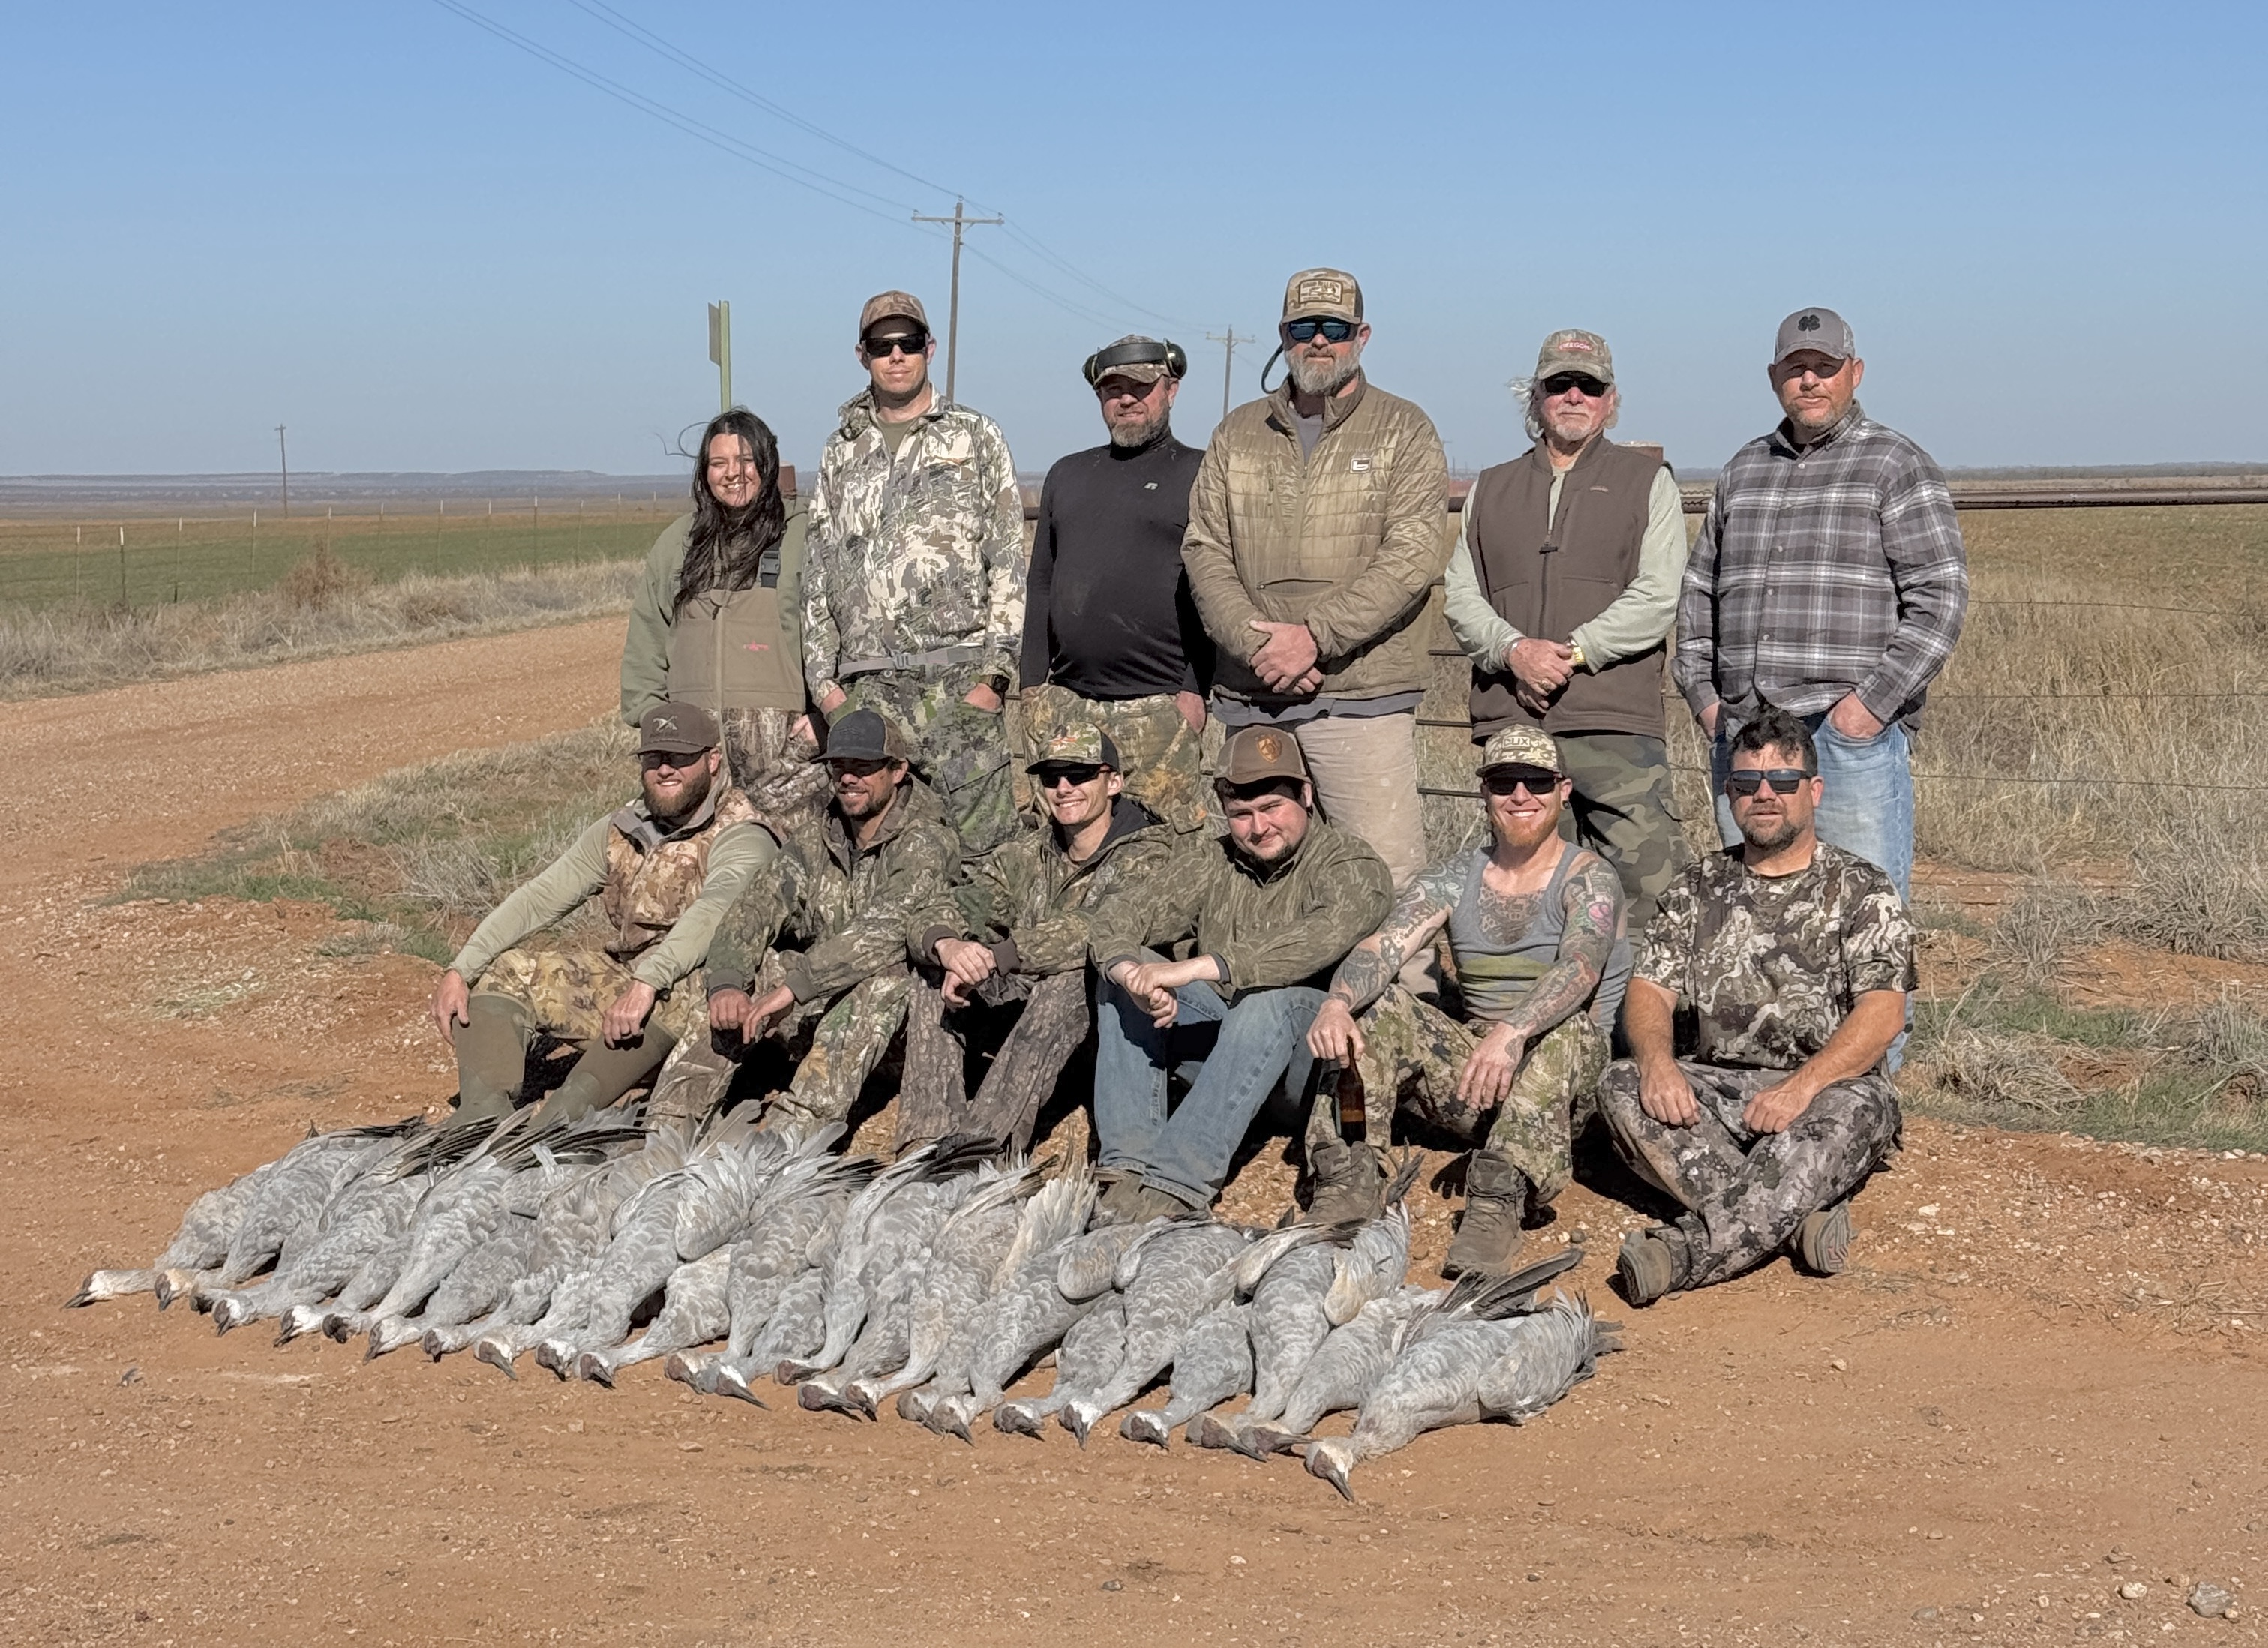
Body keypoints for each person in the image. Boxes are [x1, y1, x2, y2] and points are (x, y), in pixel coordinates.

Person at [1600, 708, 1913, 1307]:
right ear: (1730, 793)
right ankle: (1795, 1222)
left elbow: (1882, 1015)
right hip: (1721, 1087)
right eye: (1746, 785)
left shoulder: (1862, 889)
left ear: (1814, 792)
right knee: (1621, 1084)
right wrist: (1659, 1063)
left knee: (1852, 1112)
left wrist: (1800, 1088)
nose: (1764, 795)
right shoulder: (1696, 887)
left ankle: (1682, 1252)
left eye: (1783, 783)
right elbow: (1648, 991)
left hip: (1828, 1089)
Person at [1305, 727, 1630, 1274]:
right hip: (1478, 1072)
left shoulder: (1589, 878)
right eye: (1505, 782)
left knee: (1570, 1032)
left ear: (1563, 790)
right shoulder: (1454, 877)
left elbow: (1581, 966)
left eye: (1536, 782)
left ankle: (1498, 1202)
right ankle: (1349, 1172)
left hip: (1565, 1086)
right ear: (1484, 792)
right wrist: (1337, 1002)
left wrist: (1513, 1031)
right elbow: (1384, 947)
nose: (1520, 795)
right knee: (1376, 1008)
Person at [1673, 306, 1969, 904]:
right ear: (1773, 376)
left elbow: (1940, 596)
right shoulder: (1743, 471)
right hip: (1746, 738)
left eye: (1824, 367)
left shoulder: (1895, 464)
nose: (1809, 380)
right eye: (1795, 367)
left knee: (1863, 922)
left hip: (1844, 742)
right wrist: (1709, 706)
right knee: (1753, 921)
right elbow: (1697, 596)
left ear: (1854, 372)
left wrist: (1864, 713)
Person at [1181, 267, 1449, 890]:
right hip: (1256, 696)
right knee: (1257, 881)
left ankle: (1396, 992)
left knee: (1383, 881)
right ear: (1284, 335)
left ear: (1363, 335)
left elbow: (1411, 555)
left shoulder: (1404, 429)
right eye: (1305, 328)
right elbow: (1205, 548)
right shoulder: (1238, 434)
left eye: (1336, 327)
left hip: (1362, 698)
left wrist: (1315, 637)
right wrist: (1259, 645)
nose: (1320, 341)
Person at [1084, 725, 1394, 1220]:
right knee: (1128, 967)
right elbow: (1119, 915)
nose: (1258, 827)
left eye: (1272, 807)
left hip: (1309, 1067)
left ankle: (1176, 1188)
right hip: (1228, 1056)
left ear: (1307, 795)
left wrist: (1202, 968)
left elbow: (1320, 935)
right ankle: (1126, 1171)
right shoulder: (1214, 858)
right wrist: (1133, 975)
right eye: (1241, 814)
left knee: (1269, 999)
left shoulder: (1351, 863)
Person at [1444, 329, 1692, 929]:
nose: (1574, 396)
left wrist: (1574, 653)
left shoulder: (1647, 482)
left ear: (1610, 400)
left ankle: (1647, 1020)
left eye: (1589, 385)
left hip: (1614, 723)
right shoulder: (1492, 487)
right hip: (1515, 723)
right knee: (1530, 897)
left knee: (1650, 894)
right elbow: (1462, 594)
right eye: (1559, 384)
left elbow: (1659, 594)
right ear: (1536, 397)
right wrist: (1514, 652)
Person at [429, 703, 767, 1125]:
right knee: (507, 969)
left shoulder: (744, 832)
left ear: (712, 761)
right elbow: (539, 898)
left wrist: (648, 982)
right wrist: (460, 969)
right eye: (653, 758)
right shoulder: (623, 828)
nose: (665, 769)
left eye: (680, 758)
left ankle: (562, 1118)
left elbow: (715, 909)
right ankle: (482, 1117)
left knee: (682, 992)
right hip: (634, 982)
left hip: (707, 995)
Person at [803, 290, 1026, 859]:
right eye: (882, 345)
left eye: (908, 343)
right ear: (863, 355)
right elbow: (818, 578)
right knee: (878, 855)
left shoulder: (976, 437)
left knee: (980, 855)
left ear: (929, 348)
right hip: (868, 691)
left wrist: (993, 682)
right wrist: (828, 693)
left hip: (959, 682)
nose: (896, 355)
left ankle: (981, 952)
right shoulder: (840, 452)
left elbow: (1007, 560)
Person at [900, 722, 1177, 1154]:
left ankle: (979, 1150)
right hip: (1024, 1011)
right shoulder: (1026, 854)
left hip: (1112, 1021)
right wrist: (948, 946)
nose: (1064, 787)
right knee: (936, 970)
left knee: (1069, 978)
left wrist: (999, 956)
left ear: (1114, 782)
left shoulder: (1150, 853)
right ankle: (924, 1140)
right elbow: (957, 903)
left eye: (1080, 774)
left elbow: (1095, 930)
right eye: (1052, 777)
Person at [698, 710, 963, 1133]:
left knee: (890, 976)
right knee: (739, 972)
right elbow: (757, 904)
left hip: (904, 1032)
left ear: (898, 771)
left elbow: (884, 931)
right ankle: (670, 1123)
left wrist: (793, 989)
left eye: (863, 767)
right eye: (839, 767)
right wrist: (728, 981)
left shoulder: (927, 840)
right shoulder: (820, 834)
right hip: (821, 1010)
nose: (848, 778)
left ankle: (790, 1137)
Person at [1020, 335, 1213, 833]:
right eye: (1112, 389)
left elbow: (1215, 590)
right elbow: (1041, 580)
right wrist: (1032, 687)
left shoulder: (1201, 473)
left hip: (1159, 707)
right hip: (1067, 704)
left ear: (1171, 389)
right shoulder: (1067, 474)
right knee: (1064, 843)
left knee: (1160, 847)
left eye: (1140, 387)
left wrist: (1194, 692)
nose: (1126, 399)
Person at [621, 407, 830, 842]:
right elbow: (647, 633)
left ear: (768, 463)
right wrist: (653, 721)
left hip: (785, 760)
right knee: (696, 877)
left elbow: (842, 629)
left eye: (746, 460)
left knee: (789, 875)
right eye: (719, 463)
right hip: (696, 756)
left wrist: (820, 720)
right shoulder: (679, 542)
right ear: (704, 472)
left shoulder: (805, 535)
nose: (733, 474)